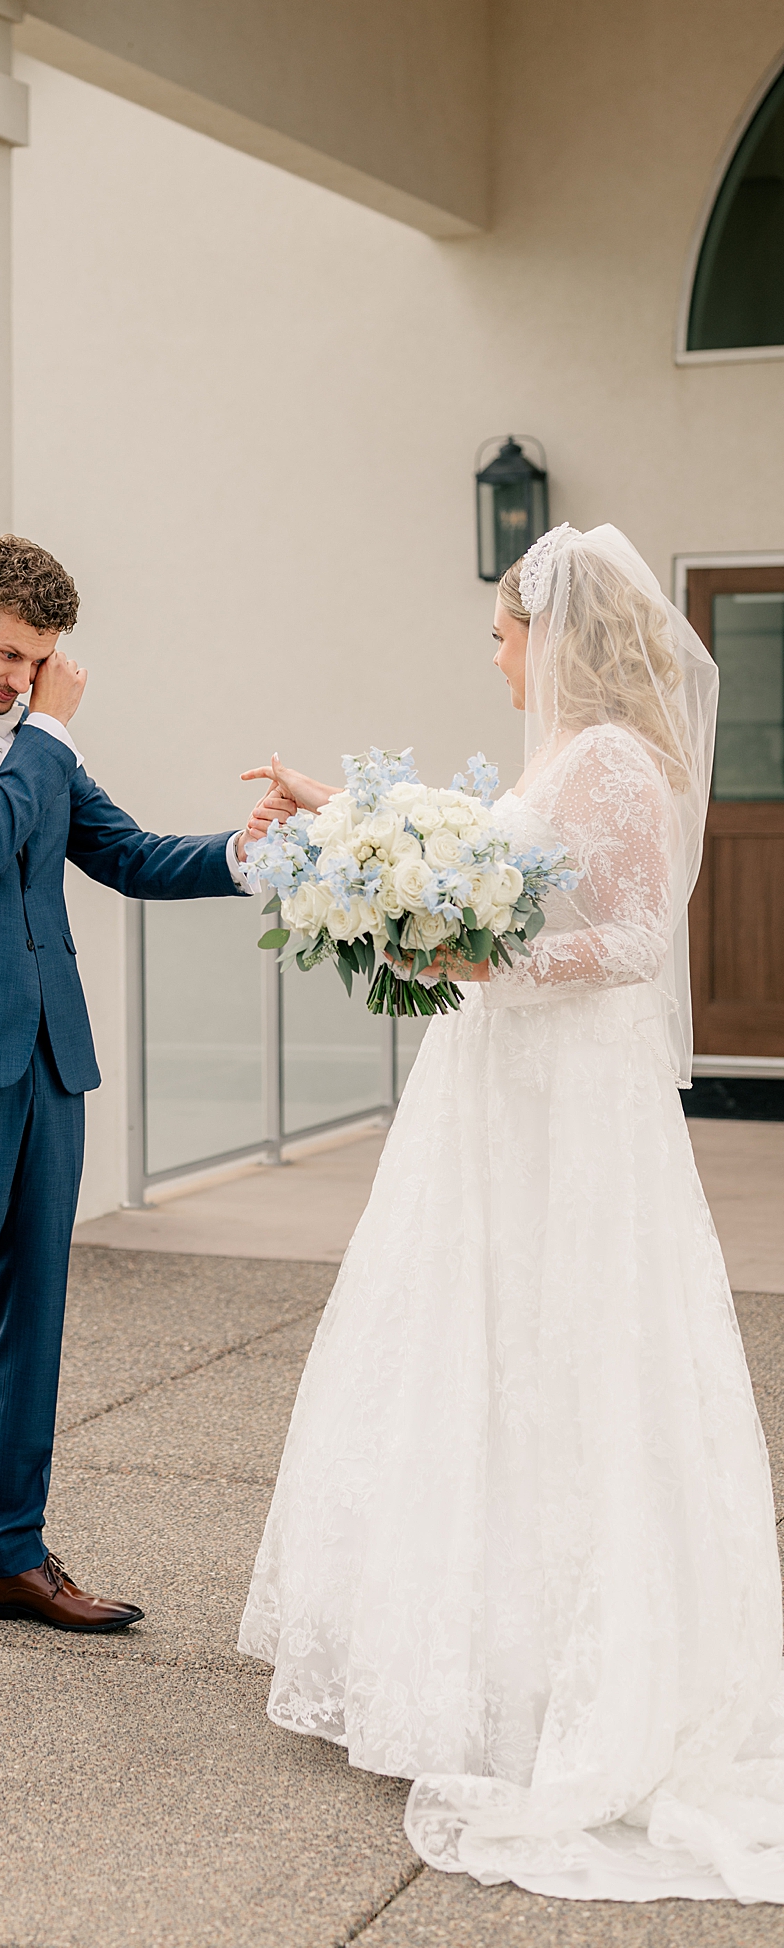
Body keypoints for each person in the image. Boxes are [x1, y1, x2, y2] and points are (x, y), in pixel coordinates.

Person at [238, 522, 784, 1904]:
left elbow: (636, 938)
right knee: (478, 1344)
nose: (492, 656)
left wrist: (485, 949)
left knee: (563, 1349)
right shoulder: (570, 758)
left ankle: (558, 1675)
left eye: (500, 634)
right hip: (502, 1088)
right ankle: (480, 1655)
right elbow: (485, 841)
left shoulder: (616, 758)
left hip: (567, 1100)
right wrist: (344, 815)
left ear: (554, 635)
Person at [0, 533, 255, 1666]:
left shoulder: (35, 744)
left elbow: (124, 854)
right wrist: (53, 734)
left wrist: (256, 855)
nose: (22, 680)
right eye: (10, 654)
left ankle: (13, 1555)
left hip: (46, 1059)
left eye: (40, 663)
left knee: (38, 1316)